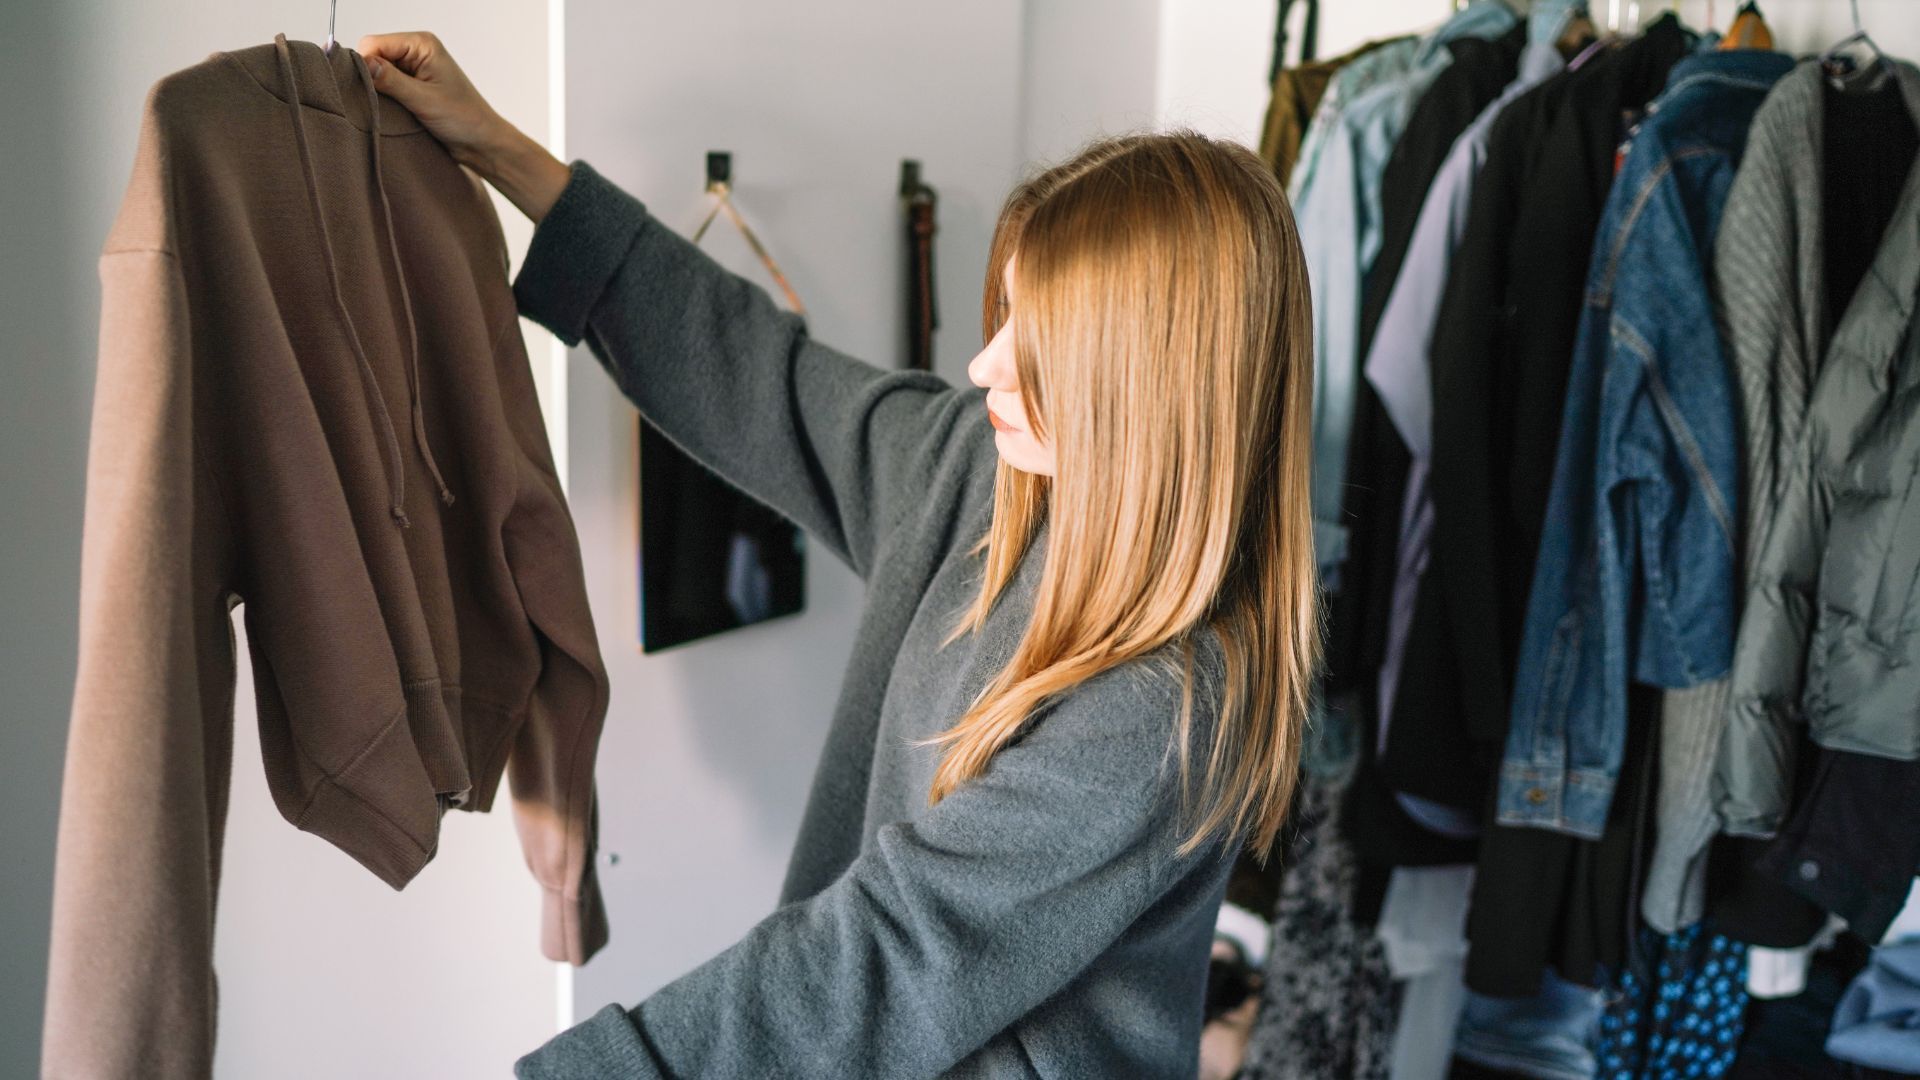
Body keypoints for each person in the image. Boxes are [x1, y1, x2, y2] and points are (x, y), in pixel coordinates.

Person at [356, 30, 1321, 1079]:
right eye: (1005, 314)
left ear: (1150, 387)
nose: (982, 361)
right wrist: (500, 152)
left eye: (1036, 342)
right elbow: (757, 373)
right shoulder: (978, 469)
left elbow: (888, 958)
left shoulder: (1169, 704)